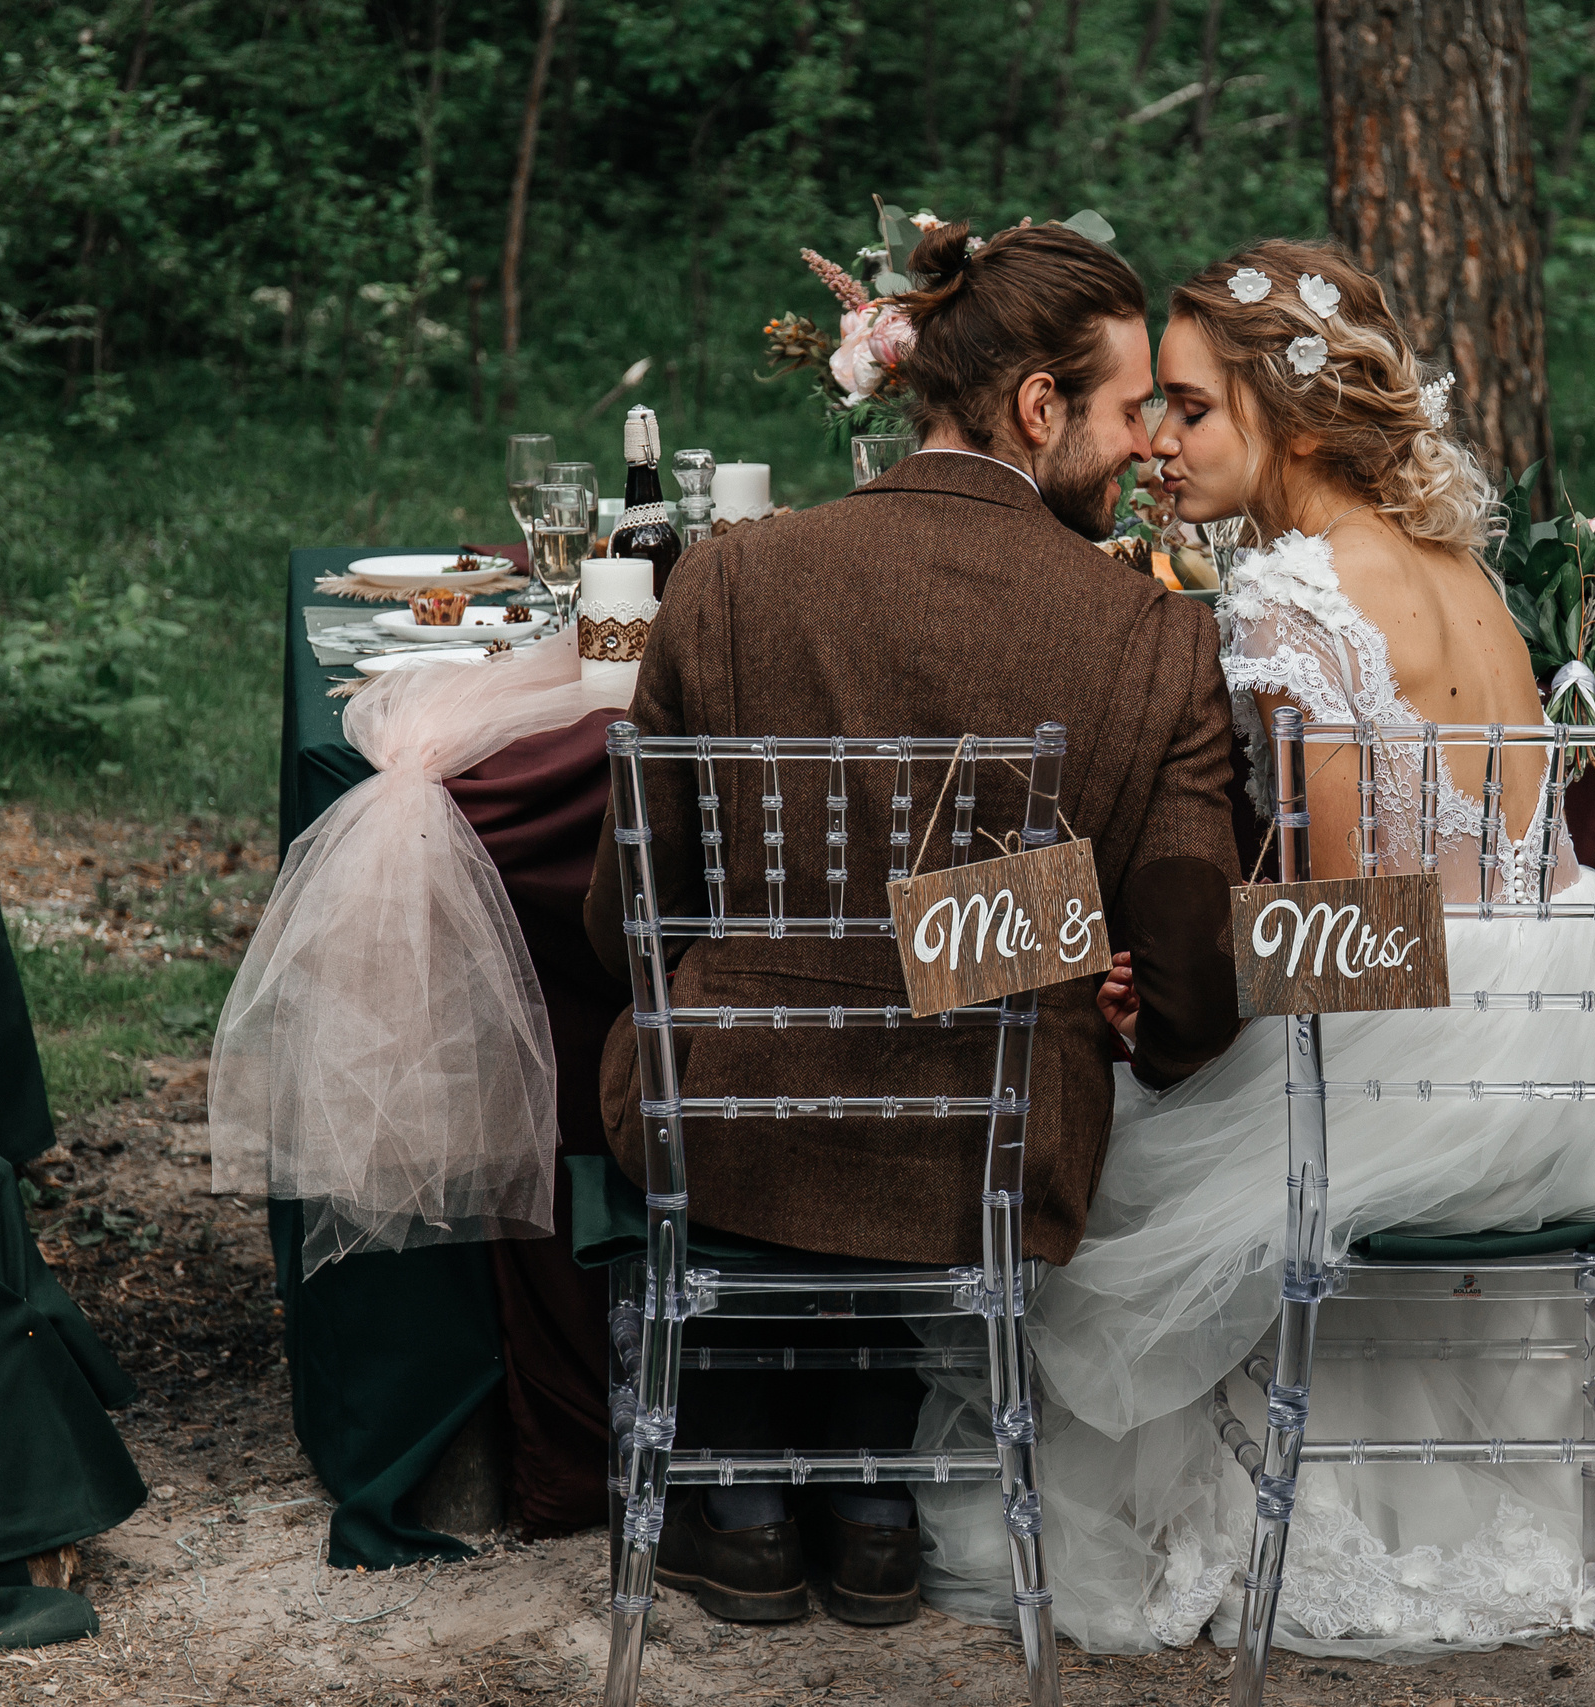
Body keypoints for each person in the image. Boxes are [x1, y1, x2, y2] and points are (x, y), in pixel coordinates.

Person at [917, 241, 1595, 1657]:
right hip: (1592, 1050)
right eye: (1156, 407)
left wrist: (1151, 985)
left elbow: (1344, 936)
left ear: (1294, 423)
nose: (1161, 441)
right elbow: (1508, 867)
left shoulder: (1289, 598)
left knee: (1115, 1136)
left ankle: (1324, 1508)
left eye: (1192, 408)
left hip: (1419, 1043)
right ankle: (1520, 1491)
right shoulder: (1462, 571)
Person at [580, 220, 1243, 1626]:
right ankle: (875, 1506)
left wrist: (771, 965)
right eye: (1133, 411)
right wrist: (1096, 986)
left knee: (713, 1046)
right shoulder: (1155, 635)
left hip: (732, 1114)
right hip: (991, 1141)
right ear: (1039, 406)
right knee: (923, 1081)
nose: (1147, 447)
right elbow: (1189, 991)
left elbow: (630, 914)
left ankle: (745, 1501)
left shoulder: (729, 579)